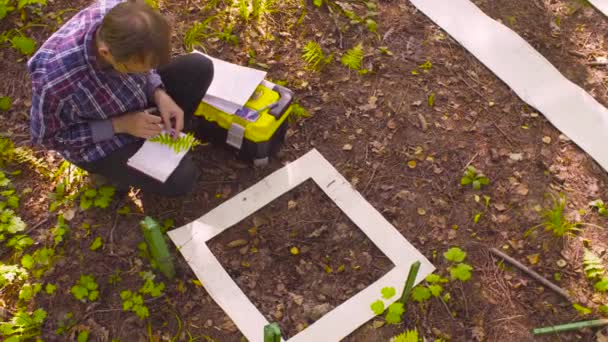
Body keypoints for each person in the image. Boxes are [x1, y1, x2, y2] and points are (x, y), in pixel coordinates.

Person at [27, 0, 214, 196]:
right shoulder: (55, 79)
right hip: (103, 139)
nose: (144, 72)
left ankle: (164, 136)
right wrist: (120, 125)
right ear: (106, 53)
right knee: (182, 180)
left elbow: (147, 70)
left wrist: (159, 93)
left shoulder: (119, 12)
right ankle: (112, 174)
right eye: (135, 69)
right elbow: (47, 138)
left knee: (199, 67)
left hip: (131, 100)